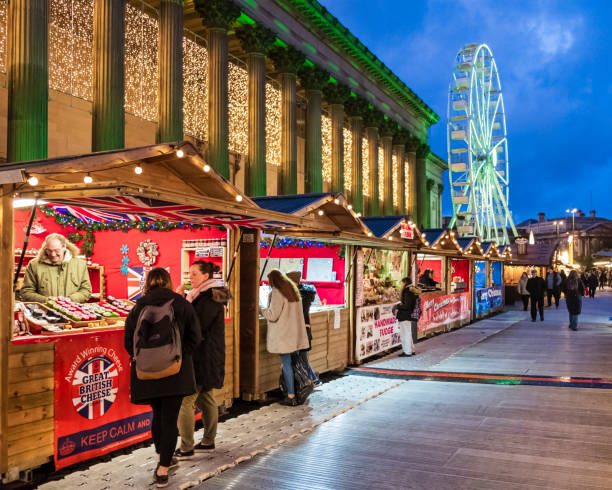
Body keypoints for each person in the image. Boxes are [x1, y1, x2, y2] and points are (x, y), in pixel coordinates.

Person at [124, 268, 201, 488]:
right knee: (170, 419)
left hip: (146, 373)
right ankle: (163, 470)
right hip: (175, 372)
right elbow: (195, 337)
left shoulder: (138, 306)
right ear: (169, 282)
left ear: (147, 283)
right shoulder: (181, 304)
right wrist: (178, 356)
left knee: (157, 414)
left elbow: (128, 340)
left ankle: (161, 456)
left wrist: (143, 358)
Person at [175, 261, 230, 460]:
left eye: (195, 274)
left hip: (202, 356)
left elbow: (196, 326)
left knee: (186, 400)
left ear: (206, 276)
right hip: (206, 355)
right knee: (206, 398)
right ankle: (208, 441)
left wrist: (181, 302)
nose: (191, 277)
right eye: (189, 273)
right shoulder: (203, 295)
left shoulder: (208, 298)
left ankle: (187, 446)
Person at [260, 269, 309, 406]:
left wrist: (261, 309)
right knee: (294, 363)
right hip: (294, 334)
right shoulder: (292, 291)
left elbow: (272, 315)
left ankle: (291, 395)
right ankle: (298, 390)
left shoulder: (277, 292)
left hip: (284, 335)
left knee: (286, 365)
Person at [20, 233, 91, 303]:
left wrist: (71, 299)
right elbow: (26, 292)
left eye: (57, 250)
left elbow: (86, 290)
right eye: (49, 250)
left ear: (64, 247)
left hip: (72, 312)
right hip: (43, 311)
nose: (53, 254)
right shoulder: (34, 265)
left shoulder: (80, 265)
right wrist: (48, 301)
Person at [286, 271, 321, 386]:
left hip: (301, 328)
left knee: (301, 357)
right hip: (304, 327)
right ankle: (313, 379)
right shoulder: (305, 294)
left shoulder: (300, 296)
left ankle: (309, 381)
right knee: (301, 356)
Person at [394, 277, 421, 356]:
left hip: (405, 315)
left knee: (405, 334)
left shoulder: (407, 291)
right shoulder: (412, 290)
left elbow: (407, 306)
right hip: (408, 315)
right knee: (408, 333)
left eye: (402, 283)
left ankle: (407, 351)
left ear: (404, 282)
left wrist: (398, 306)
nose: (401, 284)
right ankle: (411, 350)